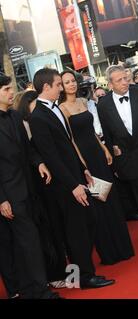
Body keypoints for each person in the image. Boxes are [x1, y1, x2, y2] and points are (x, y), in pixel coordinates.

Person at [29, 68, 115, 289]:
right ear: (46, 87)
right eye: (58, 84)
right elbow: (51, 156)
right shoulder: (38, 116)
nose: (61, 87)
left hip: (75, 175)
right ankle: (84, 277)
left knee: (87, 222)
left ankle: (83, 274)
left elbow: (67, 145)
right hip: (65, 185)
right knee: (77, 230)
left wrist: (82, 169)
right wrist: (72, 185)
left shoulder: (53, 108)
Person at [58, 70, 135, 265]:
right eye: (66, 82)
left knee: (111, 198)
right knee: (98, 202)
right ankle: (109, 253)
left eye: (73, 81)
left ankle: (123, 248)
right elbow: (71, 139)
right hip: (85, 159)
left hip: (97, 154)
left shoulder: (83, 103)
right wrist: (82, 162)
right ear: (62, 86)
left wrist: (104, 149)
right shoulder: (63, 108)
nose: (71, 85)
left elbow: (91, 132)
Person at [0, 73, 59, 298]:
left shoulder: (15, 116)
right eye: (6, 89)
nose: (11, 92)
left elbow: (28, 148)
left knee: (28, 240)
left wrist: (40, 162)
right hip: (9, 193)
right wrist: (1, 198)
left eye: (10, 88)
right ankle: (40, 290)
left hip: (29, 187)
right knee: (28, 240)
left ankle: (31, 287)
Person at [97, 65, 138, 249]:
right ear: (110, 84)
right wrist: (116, 161)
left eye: (125, 78)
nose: (124, 82)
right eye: (119, 80)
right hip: (129, 160)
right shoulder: (103, 106)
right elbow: (108, 136)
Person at [13, 90, 68, 289]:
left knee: (55, 229)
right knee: (46, 231)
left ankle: (58, 270)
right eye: (35, 104)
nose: (40, 108)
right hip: (33, 189)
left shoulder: (35, 123)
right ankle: (52, 273)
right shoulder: (22, 125)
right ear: (25, 106)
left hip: (48, 184)